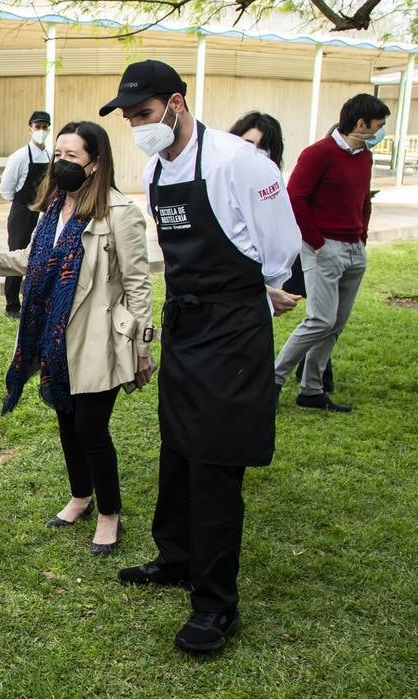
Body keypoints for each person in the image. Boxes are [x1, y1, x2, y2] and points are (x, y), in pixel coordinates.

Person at [100, 59, 301, 654]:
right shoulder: (156, 166)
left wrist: (251, 295)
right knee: (179, 447)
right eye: (131, 119)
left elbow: (281, 246)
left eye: (144, 114)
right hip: (186, 321)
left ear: (176, 103)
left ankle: (215, 605)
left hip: (233, 326)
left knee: (215, 463)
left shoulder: (239, 162)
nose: (139, 127)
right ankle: (177, 557)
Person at [0, 121, 153, 555]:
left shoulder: (119, 212)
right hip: (53, 338)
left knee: (91, 430)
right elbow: (31, 260)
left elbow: (137, 284)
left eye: (71, 156)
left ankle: (109, 514)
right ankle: (81, 496)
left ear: (94, 164)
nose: (61, 163)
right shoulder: (52, 208)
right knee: (65, 423)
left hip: (98, 339)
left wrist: (142, 347)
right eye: (58, 154)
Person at [273, 93, 390, 412]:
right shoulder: (318, 154)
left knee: (335, 324)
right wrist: (317, 242)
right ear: (361, 123)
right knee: (319, 319)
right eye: (378, 126)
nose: (381, 132)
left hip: (355, 249)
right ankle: (273, 380)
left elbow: (363, 199)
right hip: (323, 248)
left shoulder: (364, 156)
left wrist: (362, 236)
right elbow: (295, 198)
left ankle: (311, 390)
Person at [230, 111, 333, 391]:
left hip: (254, 296)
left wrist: (267, 288)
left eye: (260, 148)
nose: (250, 153)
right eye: (245, 143)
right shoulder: (217, 186)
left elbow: (279, 242)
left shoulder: (269, 190)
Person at [0, 110, 52, 318]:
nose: (41, 130)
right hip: (21, 210)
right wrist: (22, 202)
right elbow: (6, 188)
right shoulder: (19, 157)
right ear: (30, 128)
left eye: (44, 127)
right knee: (16, 255)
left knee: (40, 254)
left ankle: (34, 298)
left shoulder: (49, 156)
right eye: (37, 126)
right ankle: (12, 304)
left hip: (42, 210)